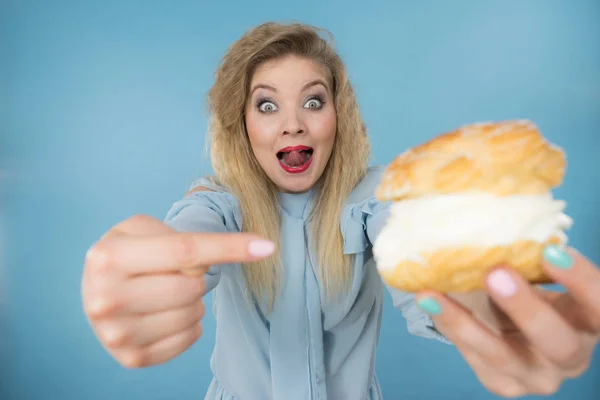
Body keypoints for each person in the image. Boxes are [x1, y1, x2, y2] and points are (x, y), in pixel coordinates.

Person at [81, 22, 600, 399]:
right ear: (241, 127)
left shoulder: (374, 197)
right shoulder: (218, 202)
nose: (293, 125)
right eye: (267, 105)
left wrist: (490, 311)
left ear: (336, 117)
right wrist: (143, 274)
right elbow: (182, 243)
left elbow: (416, 253)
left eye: (312, 101)